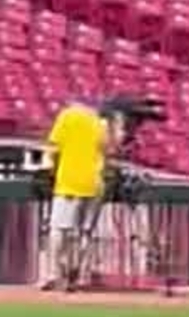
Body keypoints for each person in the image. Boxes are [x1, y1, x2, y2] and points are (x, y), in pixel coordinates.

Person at [40, 99, 127, 292]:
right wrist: (118, 127)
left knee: (58, 230)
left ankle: (53, 274)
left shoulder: (67, 117)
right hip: (94, 183)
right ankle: (77, 274)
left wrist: (46, 171)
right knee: (84, 232)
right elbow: (111, 150)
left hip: (68, 182)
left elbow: (52, 149)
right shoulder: (102, 123)